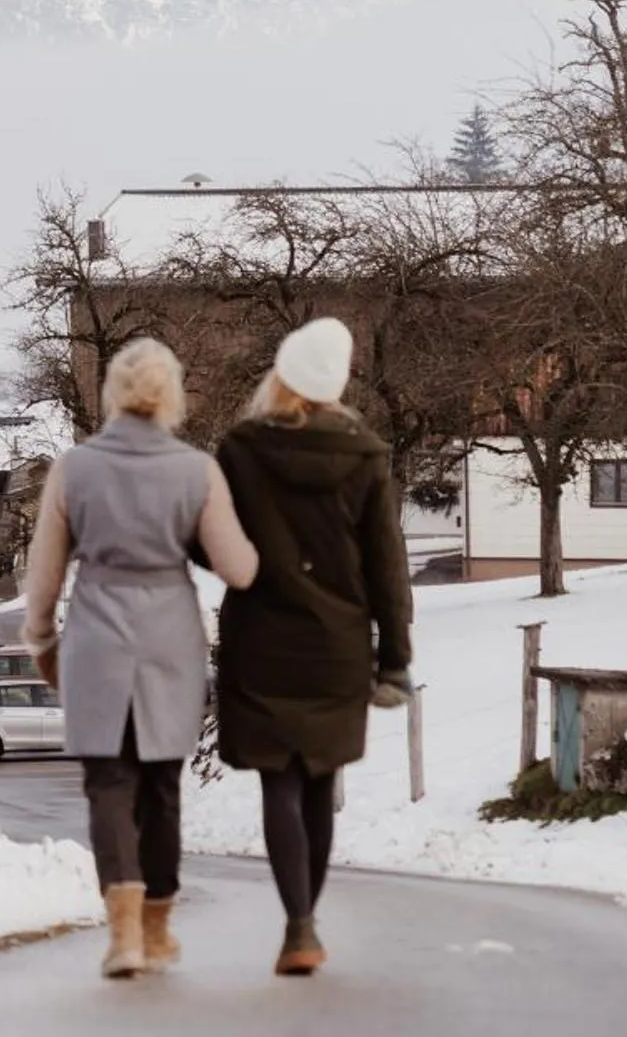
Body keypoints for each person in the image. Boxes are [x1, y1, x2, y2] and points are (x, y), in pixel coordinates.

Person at [23, 338, 258, 979]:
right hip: (169, 641)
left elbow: (43, 579)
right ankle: (156, 929)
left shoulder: (74, 469)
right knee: (160, 786)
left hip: (96, 638)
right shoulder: (196, 470)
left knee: (108, 785)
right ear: (172, 394)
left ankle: (121, 934)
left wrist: (43, 642)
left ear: (113, 395)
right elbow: (238, 568)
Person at [213, 317, 414, 978]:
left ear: (282, 375)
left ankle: (298, 923)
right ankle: (305, 926)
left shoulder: (240, 451)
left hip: (262, 638)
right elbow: (387, 565)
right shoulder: (365, 456)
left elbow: (218, 541)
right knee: (321, 778)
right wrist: (395, 659)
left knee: (281, 780)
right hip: (338, 643)